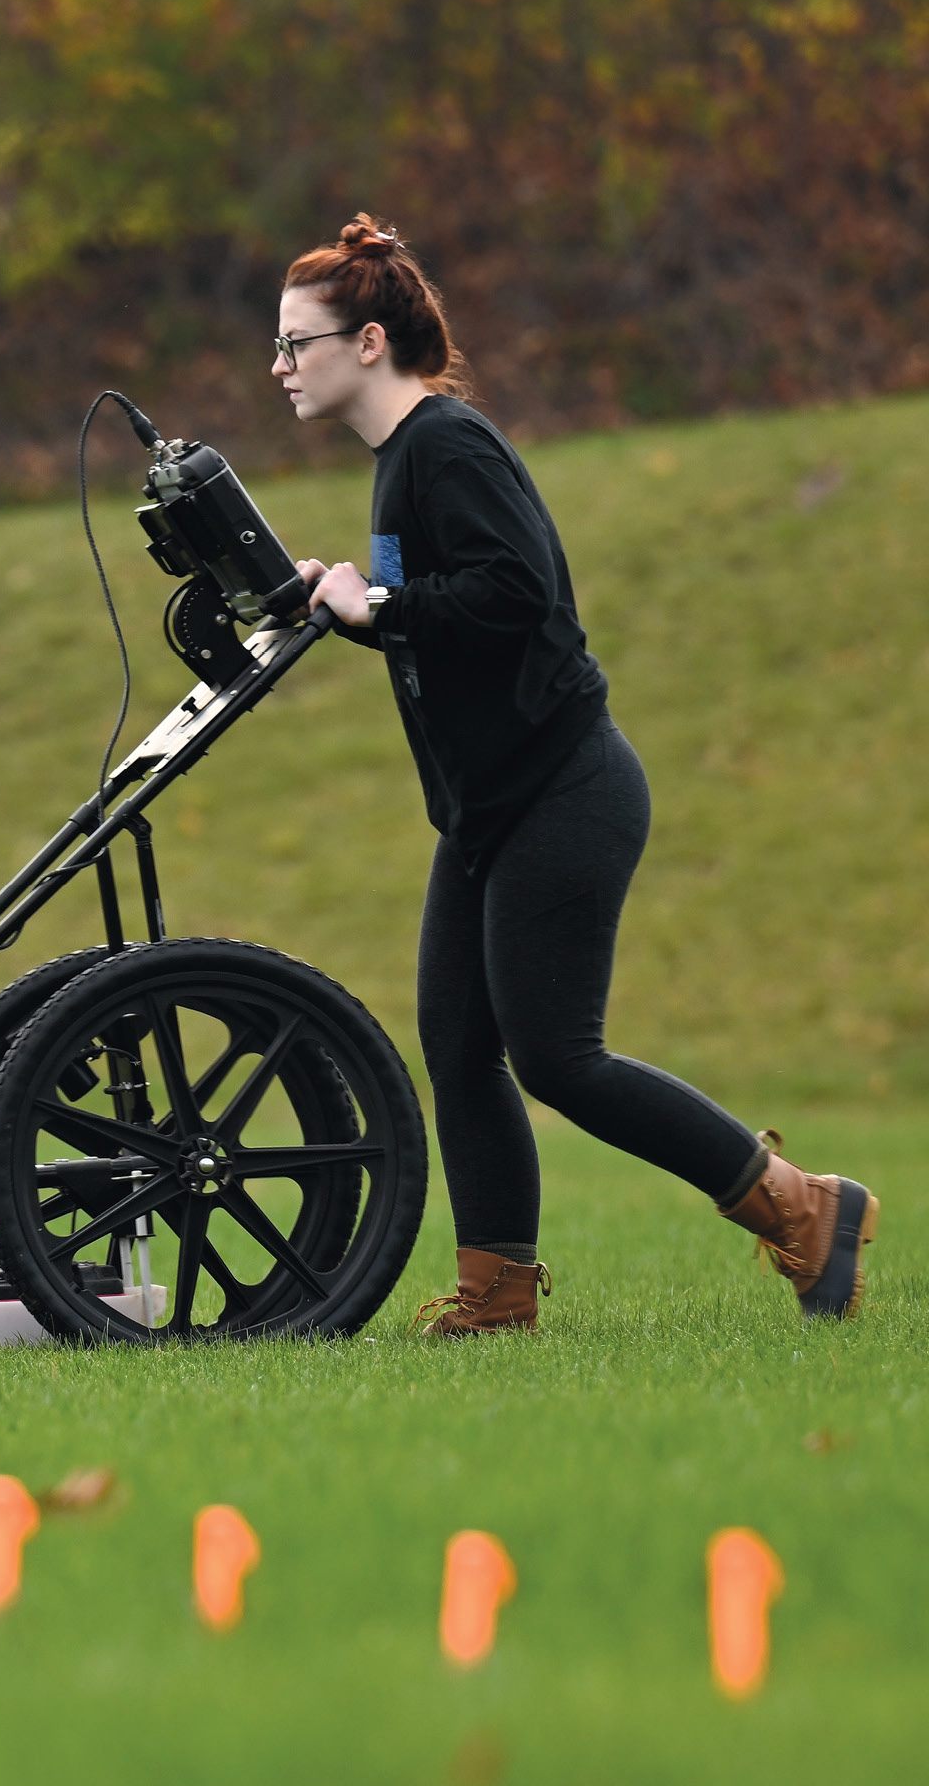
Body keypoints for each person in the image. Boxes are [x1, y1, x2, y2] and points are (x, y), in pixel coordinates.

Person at [270, 213, 877, 1333]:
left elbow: (521, 595)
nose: (279, 368)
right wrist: (351, 599)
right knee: (458, 1044)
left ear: (365, 343)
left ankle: (803, 1205)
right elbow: (441, 624)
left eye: (294, 343)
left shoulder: (446, 442)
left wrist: (384, 600)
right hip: (488, 810)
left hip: (564, 788)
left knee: (557, 1053)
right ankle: (497, 1295)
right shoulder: (403, 460)